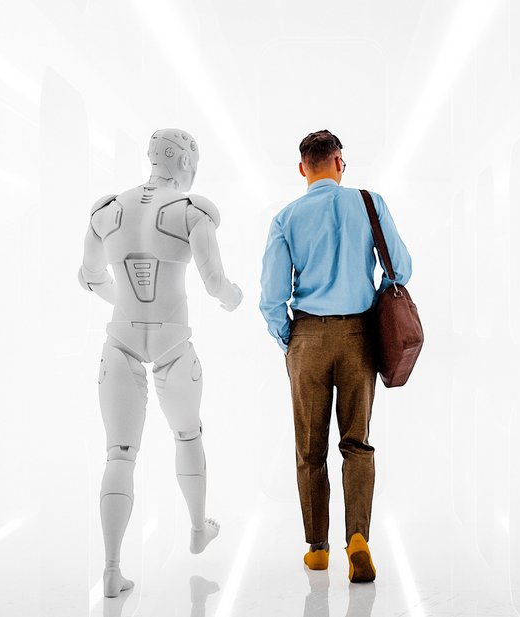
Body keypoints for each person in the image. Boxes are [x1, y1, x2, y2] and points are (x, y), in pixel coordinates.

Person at [79, 128, 244, 597]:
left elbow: (89, 277)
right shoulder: (193, 213)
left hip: (121, 340)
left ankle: (111, 570)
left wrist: (123, 304)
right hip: (174, 344)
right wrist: (234, 298)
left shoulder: (107, 211)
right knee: (187, 432)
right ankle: (197, 528)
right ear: (187, 163)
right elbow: (216, 283)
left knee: (119, 453)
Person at [259, 129, 413, 583]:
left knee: (310, 449)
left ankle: (318, 549)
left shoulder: (286, 218)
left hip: (306, 337)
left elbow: (270, 297)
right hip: (358, 337)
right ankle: (359, 539)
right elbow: (400, 268)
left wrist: (291, 338)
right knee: (357, 443)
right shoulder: (370, 203)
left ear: (303, 168)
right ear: (340, 162)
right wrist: (376, 297)